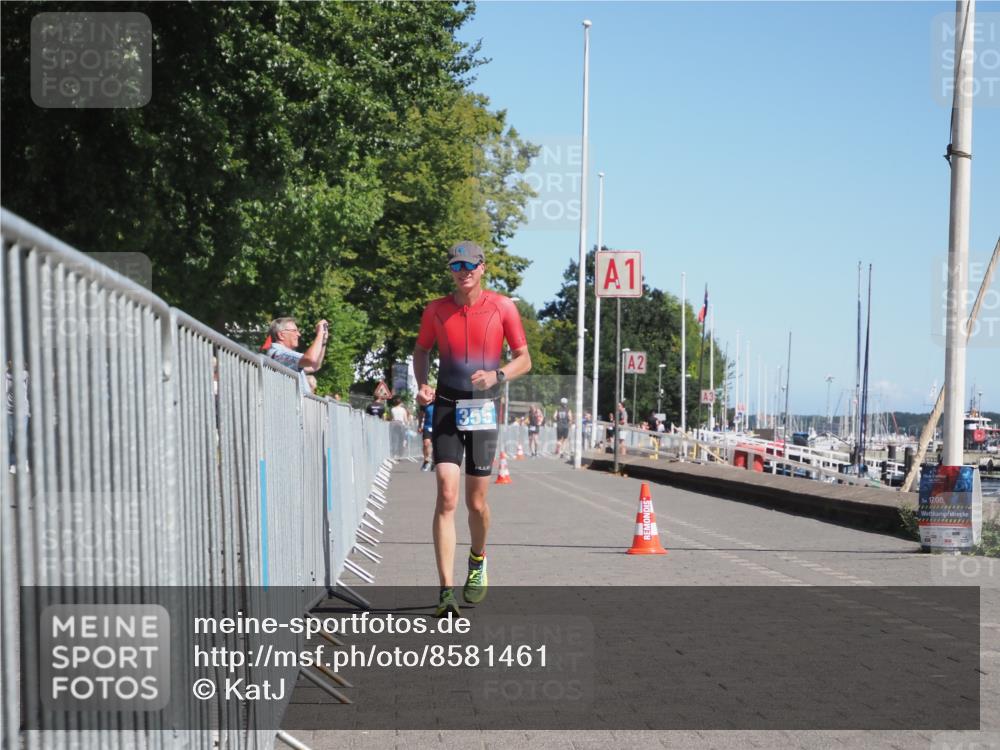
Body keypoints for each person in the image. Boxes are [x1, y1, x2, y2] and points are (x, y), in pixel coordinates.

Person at [412, 240, 531, 617]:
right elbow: (421, 351)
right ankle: (446, 590)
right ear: (449, 270)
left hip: (481, 409)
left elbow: (523, 359)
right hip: (446, 406)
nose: (462, 272)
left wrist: (497, 374)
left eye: (469, 265)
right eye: (455, 266)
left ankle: (477, 559)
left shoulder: (502, 307)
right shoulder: (435, 311)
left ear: (482, 268)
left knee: (475, 502)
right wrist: (422, 385)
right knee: (446, 495)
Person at [265, 317, 328, 393]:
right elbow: (311, 359)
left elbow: (314, 366)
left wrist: (323, 341)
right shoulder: (278, 354)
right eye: (294, 331)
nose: (299, 334)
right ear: (281, 335)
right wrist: (320, 333)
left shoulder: (282, 355)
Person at [420, 402, 435, 472]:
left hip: (437, 427)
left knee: (436, 446)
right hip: (427, 427)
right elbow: (421, 415)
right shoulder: (425, 404)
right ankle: (426, 460)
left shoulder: (441, 403)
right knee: (426, 443)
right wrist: (420, 425)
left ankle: (434, 462)